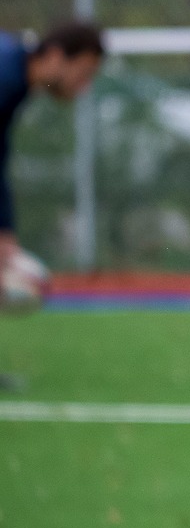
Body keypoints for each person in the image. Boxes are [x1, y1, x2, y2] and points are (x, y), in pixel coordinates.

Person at [1, 22, 105, 328]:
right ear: (56, 56)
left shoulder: (14, 77)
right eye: (83, 73)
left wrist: (4, 230)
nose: (84, 86)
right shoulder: (5, 79)